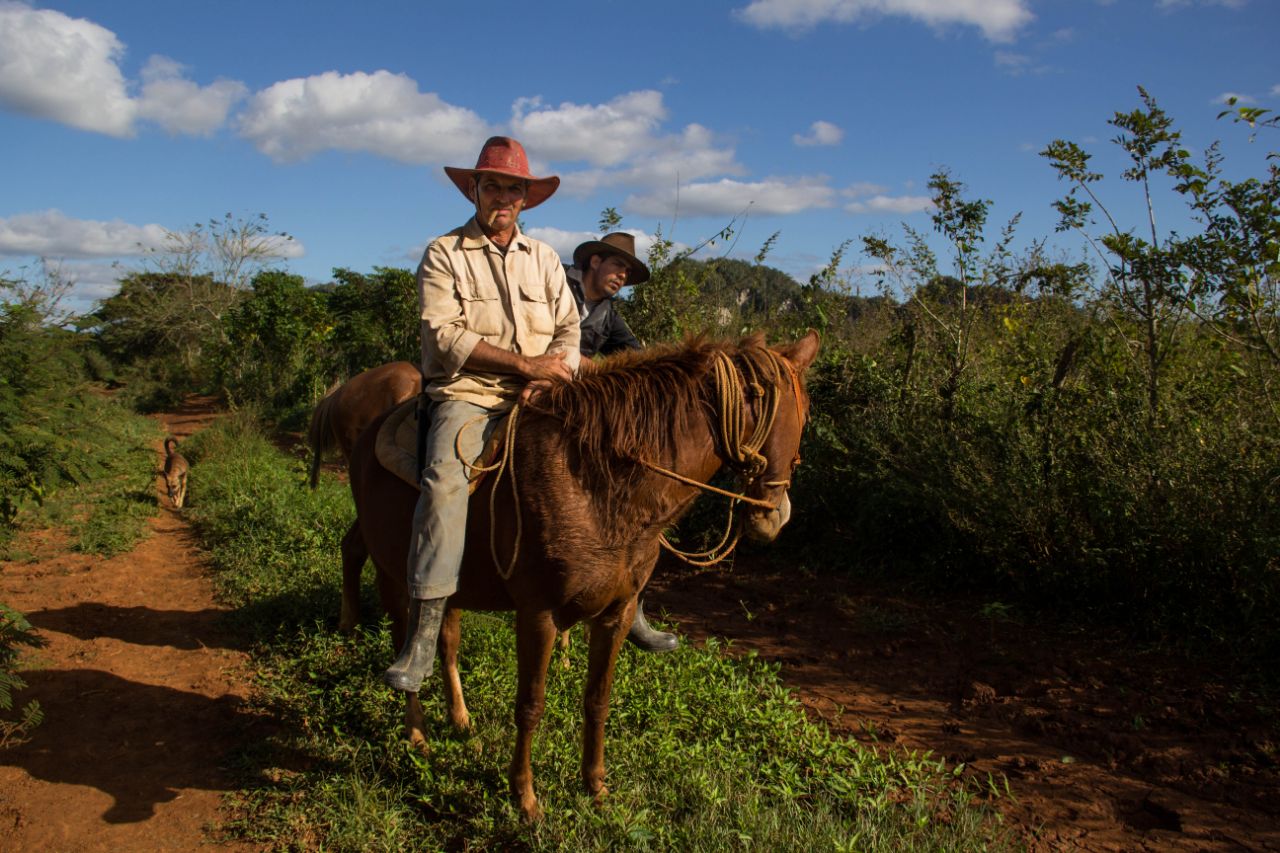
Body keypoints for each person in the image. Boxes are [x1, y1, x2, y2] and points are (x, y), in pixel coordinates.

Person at [384, 136, 581, 693]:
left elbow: (569, 330)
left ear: (526, 198)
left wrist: (550, 375)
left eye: (513, 188)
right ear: (474, 189)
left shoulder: (543, 257)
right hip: (468, 392)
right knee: (445, 483)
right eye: (492, 185)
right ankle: (423, 631)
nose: (503, 196)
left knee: (616, 453)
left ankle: (626, 594)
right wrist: (524, 365)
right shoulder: (444, 252)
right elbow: (443, 336)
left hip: (545, 392)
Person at [566, 232, 678, 652]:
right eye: (618, 267)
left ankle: (633, 602)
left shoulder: (609, 312)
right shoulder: (553, 283)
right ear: (595, 260)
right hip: (537, 384)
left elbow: (633, 353)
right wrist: (588, 366)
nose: (622, 276)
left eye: (628, 272)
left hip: (583, 401)